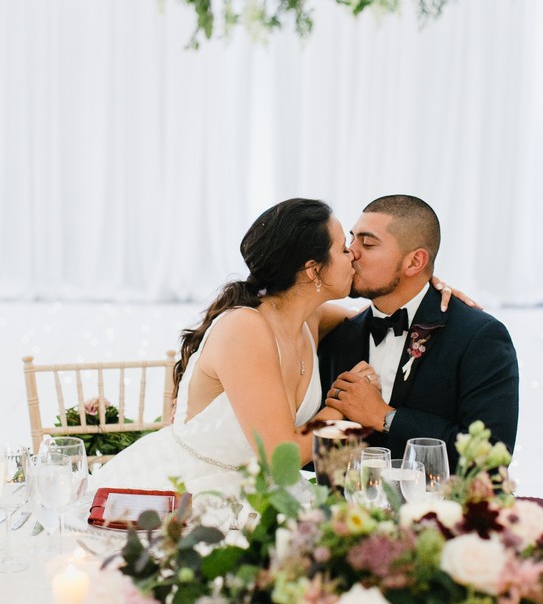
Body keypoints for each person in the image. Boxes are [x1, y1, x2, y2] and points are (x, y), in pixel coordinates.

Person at [90, 198, 356, 499]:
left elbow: (378, 320)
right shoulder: (245, 329)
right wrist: (341, 408)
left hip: (261, 493)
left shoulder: (311, 318)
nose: (354, 256)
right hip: (188, 490)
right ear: (313, 270)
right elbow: (281, 459)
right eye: (344, 249)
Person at [318, 195, 519, 471]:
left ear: (415, 262)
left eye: (367, 243)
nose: (352, 252)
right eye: (352, 240)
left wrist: (385, 417)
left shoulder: (479, 336)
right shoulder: (338, 335)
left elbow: (491, 458)